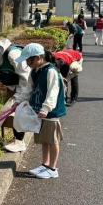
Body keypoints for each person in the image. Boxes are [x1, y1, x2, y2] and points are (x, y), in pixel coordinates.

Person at [16, 43, 67, 179]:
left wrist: (46, 108)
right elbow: (29, 89)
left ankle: (53, 168)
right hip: (38, 111)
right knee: (44, 140)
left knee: (52, 140)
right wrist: (18, 100)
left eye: (29, 60)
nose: (27, 63)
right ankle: (45, 164)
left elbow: (53, 92)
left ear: (38, 57)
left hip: (51, 112)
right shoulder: (35, 71)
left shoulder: (51, 71)